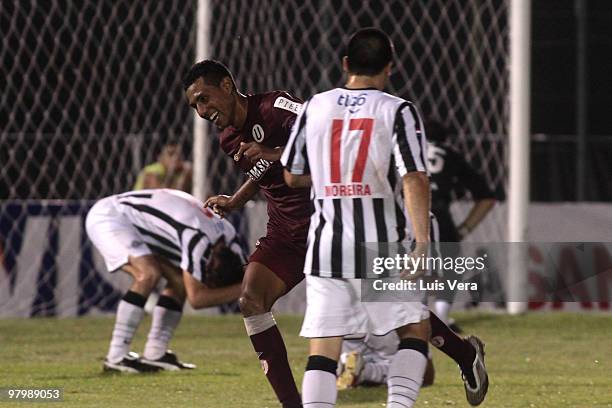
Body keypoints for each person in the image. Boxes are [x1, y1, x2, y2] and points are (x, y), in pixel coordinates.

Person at [282, 27, 435, 408]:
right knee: (415, 330)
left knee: (324, 348)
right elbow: (414, 176)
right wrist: (421, 242)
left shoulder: (314, 106)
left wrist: (333, 176)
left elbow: (291, 174)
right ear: (390, 66)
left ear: (345, 64)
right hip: (380, 244)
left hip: (326, 246)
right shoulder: (396, 109)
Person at [183, 60, 309, 408]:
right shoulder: (228, 139)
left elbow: (327, 141)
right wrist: (236, 200)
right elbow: (262, 171)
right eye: (195, 106)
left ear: (227, 85)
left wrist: (272, 151)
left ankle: (462, 351)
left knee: (387, 305)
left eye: (204, 99)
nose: (202, 110)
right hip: (286, 233)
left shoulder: (275, 106)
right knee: (251, 300)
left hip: (330, 223)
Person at [86, 188, 245, 373]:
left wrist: (250, 285)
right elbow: (197, 299)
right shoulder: (197, 239)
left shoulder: (230, 238)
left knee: (179, 279)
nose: (205, 275)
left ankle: (155, 354)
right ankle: (116, 357)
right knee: (147, 274)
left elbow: (248, 276)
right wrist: (245, 289)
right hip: (110, 216)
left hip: (137, 221)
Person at [425, 118, 497, 327]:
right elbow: (487, 198)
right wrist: (464, 229)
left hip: (409, 215)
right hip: (440, 217)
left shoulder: (404, 149)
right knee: (450, 267)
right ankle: (442, 316)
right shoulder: (452, 156)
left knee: (405, 267)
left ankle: (405, 318)